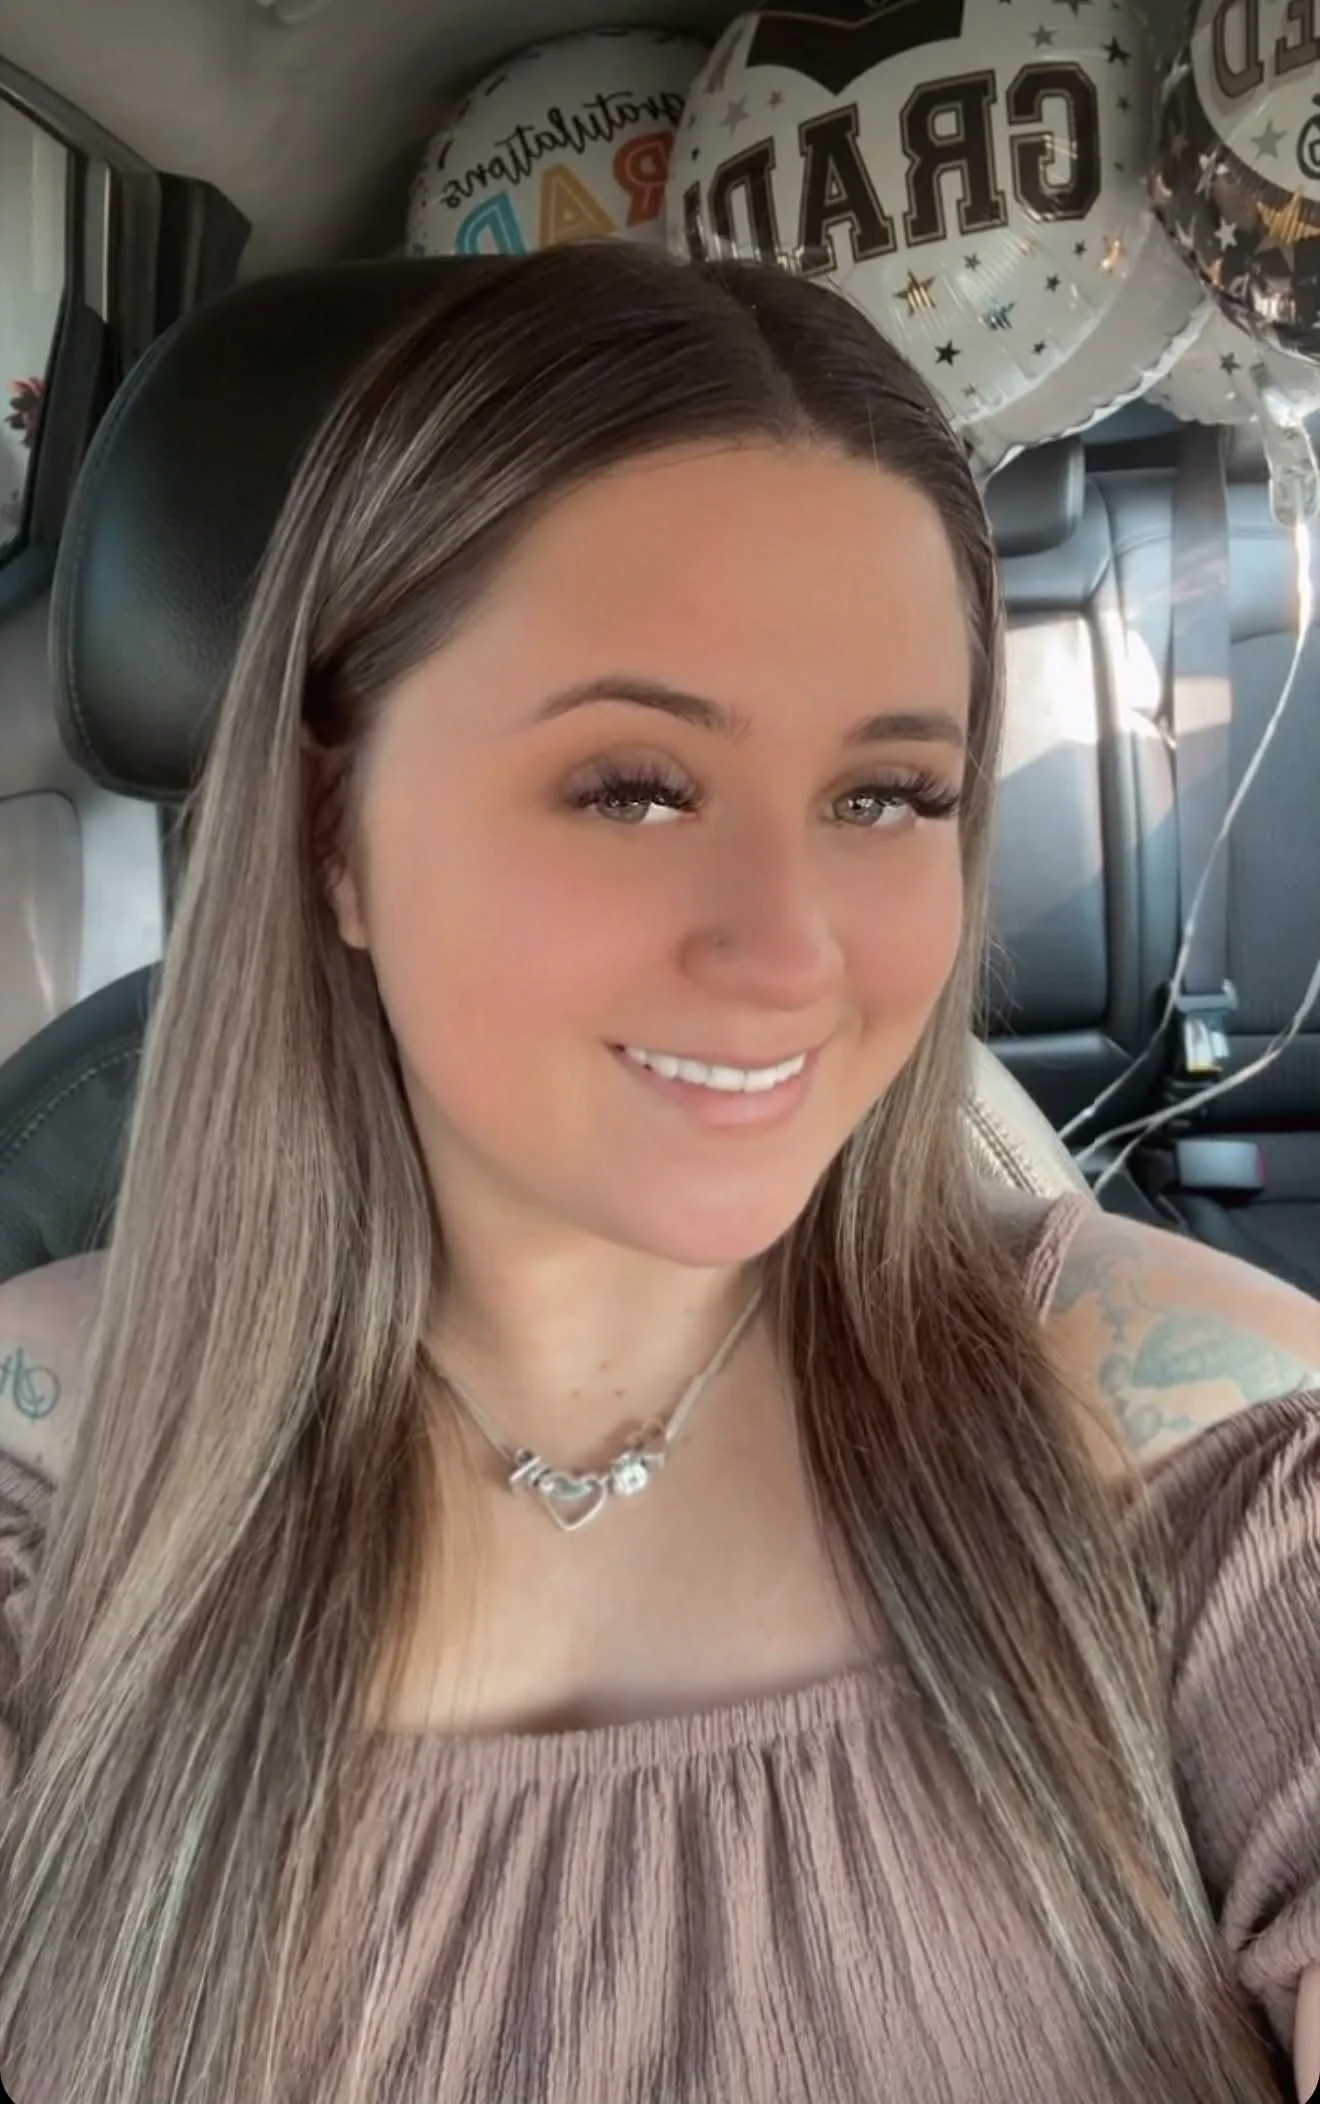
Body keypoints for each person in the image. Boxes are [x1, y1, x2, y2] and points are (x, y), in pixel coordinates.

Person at [0, 240, 1317, 2104]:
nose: (788, 952)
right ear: (330, 832)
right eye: (633, 785)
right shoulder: (46, 1477)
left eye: (885, 796)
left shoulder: (1190, 1427)